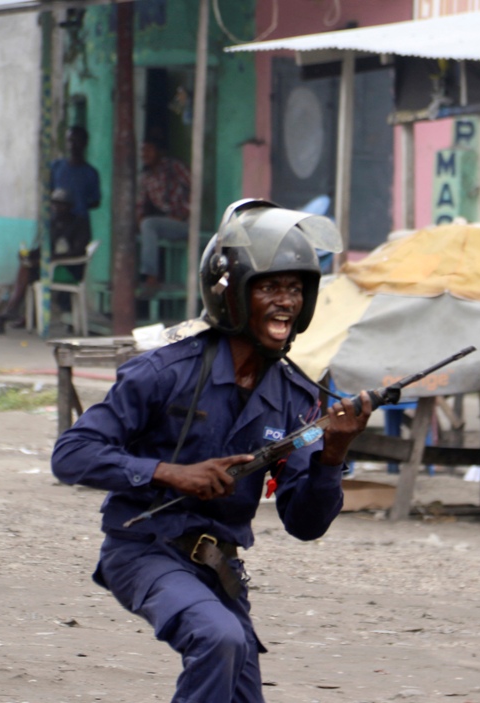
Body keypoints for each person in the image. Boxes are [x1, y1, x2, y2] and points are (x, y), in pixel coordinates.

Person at [51, 199, 369, 703]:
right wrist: (171, 473)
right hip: (142, 551)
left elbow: (304, 524)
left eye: (295, 289)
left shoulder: (297, 399)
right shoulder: (166, 371)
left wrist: (334, 452)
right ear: (232, 292)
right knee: (217, 638)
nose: (285, 302)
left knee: (237, 673)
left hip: (218, 572)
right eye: (269, 287)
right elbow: (71, 454)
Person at [0, 188, 91, 333]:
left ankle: (11, 310)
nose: (57, 208)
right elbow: (45, 248)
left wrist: (49, 259)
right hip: (51, 267)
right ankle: (10, 314)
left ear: (70, 206)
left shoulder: (79, 223)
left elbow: (78, 251)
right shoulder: (54, 223)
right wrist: (29, 255)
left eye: (62, 205)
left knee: (25, 272)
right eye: (55, 204)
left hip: (69, 271)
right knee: (25, 268)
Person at [137, 136, 191, 290]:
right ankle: (140, 278)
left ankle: (151, 276)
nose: (145, 154)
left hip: (186, 223)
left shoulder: (173, 167)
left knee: (149, 224)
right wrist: (138, 221)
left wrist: (184, 214)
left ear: (159, 152)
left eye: (149, 150)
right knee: (143, 225)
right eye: (142, 150)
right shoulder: (145, 177)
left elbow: (197, 188)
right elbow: (139, 206)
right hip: (168, 223)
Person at [51, 125, 101, 222]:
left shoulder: (90, 173)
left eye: (77, 141)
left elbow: (96, 201)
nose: (72, 145)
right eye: (70, 140)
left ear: (85, 143)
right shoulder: (56, 167)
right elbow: (49, 192)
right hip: (58, 223)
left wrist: (78, 204)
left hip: (80, 224)